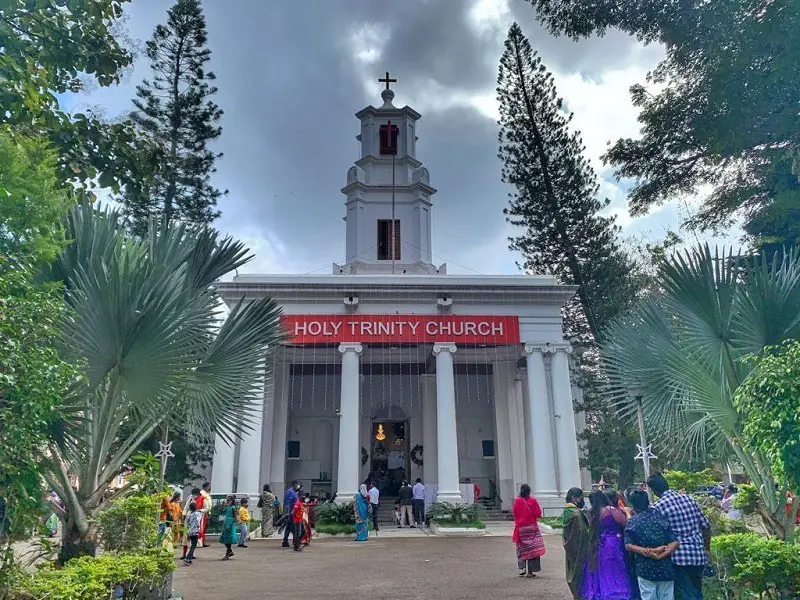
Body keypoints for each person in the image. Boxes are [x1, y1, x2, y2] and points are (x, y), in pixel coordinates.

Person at [648, 473, 710, 600]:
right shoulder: (689, 499)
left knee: (685, 594)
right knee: (697, 591)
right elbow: (706, 526)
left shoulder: (658, 507)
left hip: (677, 558)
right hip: (698, 555)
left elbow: (658, 536)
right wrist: (706, 548)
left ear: (654, 490)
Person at [625, 489, 680, 600]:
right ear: (648, 502)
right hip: (665, 568)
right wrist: (661, 554)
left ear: (633, 505)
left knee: (648, 597)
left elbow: (628, 545)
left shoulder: (633, 522)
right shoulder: (660, 518)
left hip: (645, 569)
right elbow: (675, 542)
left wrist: (647, 551)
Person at [580, 490, 631, 599]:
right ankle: (616, 592)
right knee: (616, 568)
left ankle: (602, 592)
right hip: (613, 542)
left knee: (602, 569)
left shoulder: (591, 512)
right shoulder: (610, 510)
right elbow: (625, 523)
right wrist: (627, 512)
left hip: (598, 543)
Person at [562, 487, 590, 599]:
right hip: (580, 549)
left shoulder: (567, 512)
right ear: (574, 498)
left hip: (571, 548)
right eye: (581, 498)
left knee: (573, 571)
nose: (582, 500)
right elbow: (585, 533)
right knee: (581, 574)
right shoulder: (577, 514)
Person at [512, 484, 545, 578]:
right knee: (533, 550)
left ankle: (522, 568)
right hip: (532, 528)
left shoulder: (517, 500)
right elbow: (538, 513)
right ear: (529, 491)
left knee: (521, 549)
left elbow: (515, 512)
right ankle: (530, 571)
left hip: (520, 528)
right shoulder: (533, 501)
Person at [219, 495, 238, 560]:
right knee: (225, 539)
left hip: (230, 524)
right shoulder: (228, 507)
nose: (227, 502)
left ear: (232, 501)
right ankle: (229, 551)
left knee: (228, 540)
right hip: (226, 523)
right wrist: (222, 505)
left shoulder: (233, 508)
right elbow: (221, 511)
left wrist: (230, 525)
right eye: (226, 500)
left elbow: (236, 518)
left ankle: (228, 553)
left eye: (228, 500)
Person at [282, 480, 299, 548]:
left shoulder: (294, 492)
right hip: (291, 513)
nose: (298, 486)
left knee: (289, 527)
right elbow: (287, 503)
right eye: (297, 485)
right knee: (293, 528)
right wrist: (287, 513)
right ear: (294, 485)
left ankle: (286, 541)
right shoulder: (290, 492)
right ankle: (295, 542)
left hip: (294, 513)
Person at [199, 482, 212, 547]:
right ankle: (202, 541)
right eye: (208, 486)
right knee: (203, 527)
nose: (209, 488)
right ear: (205, 487)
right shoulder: (202, 493)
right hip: (203, 512)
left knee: (205, 527)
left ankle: (203, 541)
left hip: (207, 511)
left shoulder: (206, 494)